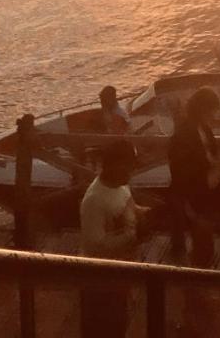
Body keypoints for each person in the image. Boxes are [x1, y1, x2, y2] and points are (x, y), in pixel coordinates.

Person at [79, 139, 150, 338]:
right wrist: (133, 236)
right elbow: (96, 246)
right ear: (114, 164)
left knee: (119, 326)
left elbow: (132, 210)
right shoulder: (95, 199)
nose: (132, 172)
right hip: (99, 282)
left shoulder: (122, 187)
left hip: (120, 275)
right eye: (129, 166)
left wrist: (152, 215)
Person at [168, 86, 220, 264]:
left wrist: (216, 161)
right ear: (203, 109)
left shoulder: (203, 128)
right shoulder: (185, 133)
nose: (214, 116)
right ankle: (198, 274)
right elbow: (180, 168)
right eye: (212, 111)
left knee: (204, 236)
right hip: (194, 192)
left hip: (205, 189)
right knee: (202, 239)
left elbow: (206, 154)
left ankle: (199, 266)